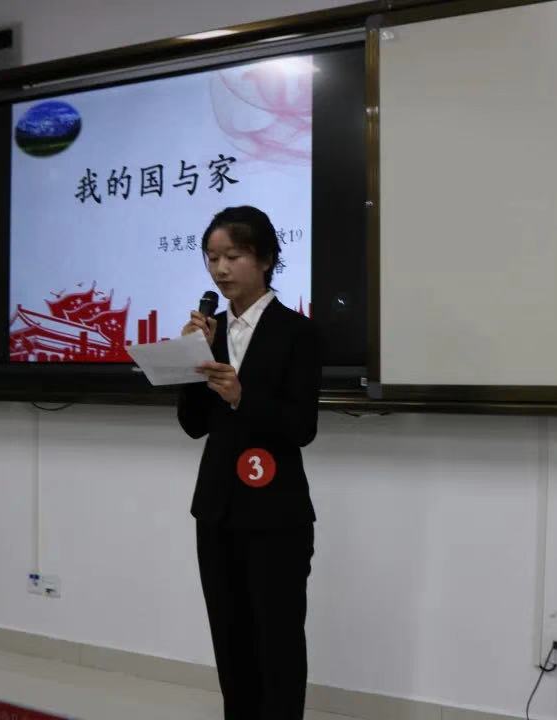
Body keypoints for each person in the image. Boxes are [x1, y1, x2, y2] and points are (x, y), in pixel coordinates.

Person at [177, 205, 321, 720]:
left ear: (264, 259)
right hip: (216, 509)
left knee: (277, 641)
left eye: (233, 256)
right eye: (211, 257)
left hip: (275, 514)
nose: (220, 269)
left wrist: (242, 396)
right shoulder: (209, 332)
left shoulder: (296, 332)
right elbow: (194, 424)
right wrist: (190, 359)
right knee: (230, 639)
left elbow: (301, 427)